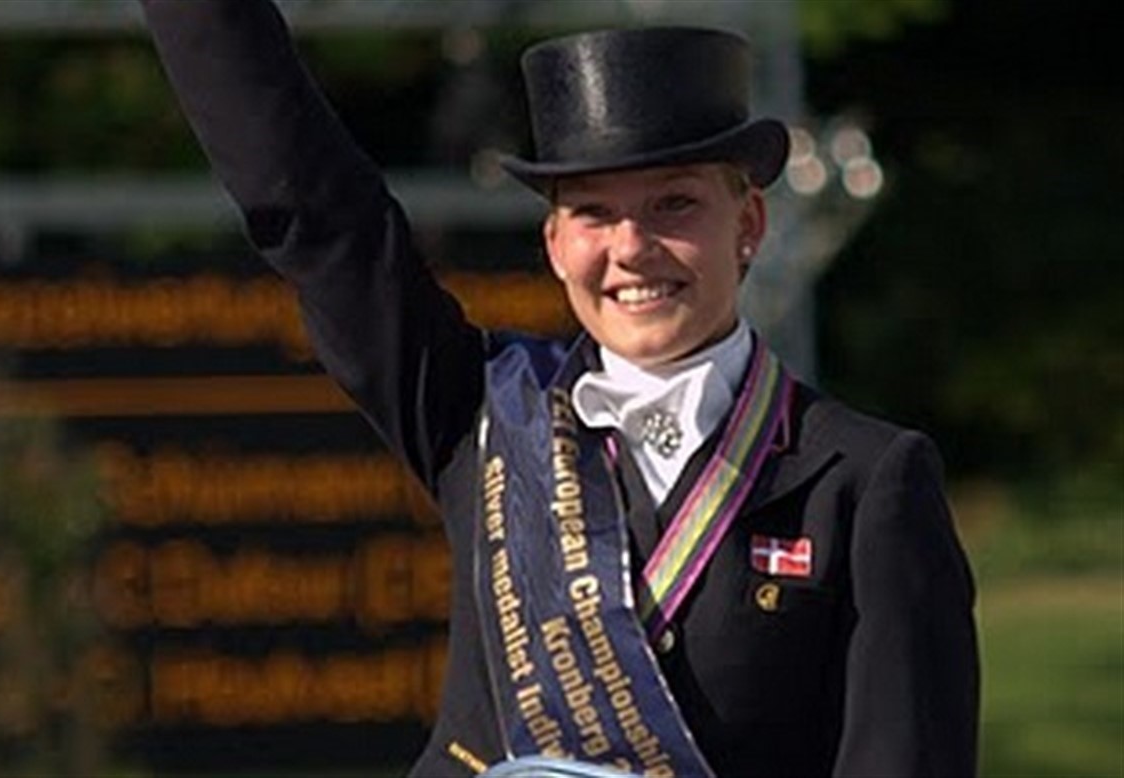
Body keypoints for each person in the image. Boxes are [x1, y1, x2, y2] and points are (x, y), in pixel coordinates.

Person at [140, 2, 979, 776]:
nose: (631, 247)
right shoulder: (483, 410)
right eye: (593, 213)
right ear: (553, 243)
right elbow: (319, 218)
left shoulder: (864, 479)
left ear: (748, 224)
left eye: (675, 205)